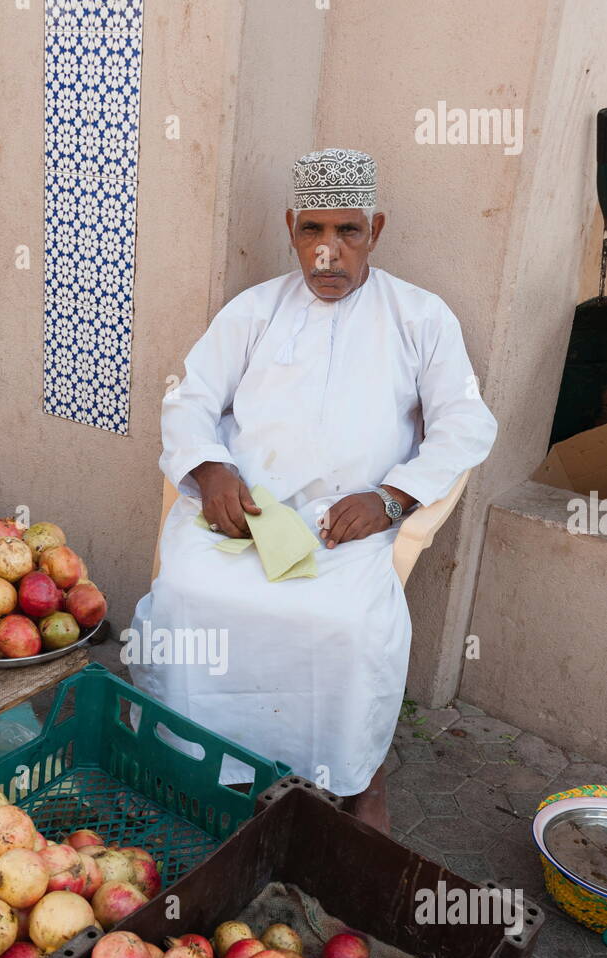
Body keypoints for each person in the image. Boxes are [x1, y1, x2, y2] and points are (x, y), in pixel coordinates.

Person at [129, 149, 497, 832]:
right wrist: (210, 471)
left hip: (346, 524)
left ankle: (353, 780)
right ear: (290, 227)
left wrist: (391, 497)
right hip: (242, 514)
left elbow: (465, 422)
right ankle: (190, 764)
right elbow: (189, 399)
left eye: (347, 233)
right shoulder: (254, 310)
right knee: (188, 594)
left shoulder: (420, 317)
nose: (327, 255)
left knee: (348, 624)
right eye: (311, 232)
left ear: (375, 230)